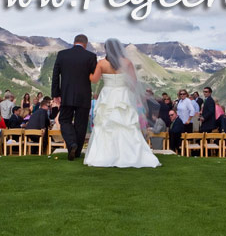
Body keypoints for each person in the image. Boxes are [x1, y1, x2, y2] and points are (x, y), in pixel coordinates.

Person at [84, 38, 160, 168]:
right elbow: (133, 83)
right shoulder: (127, 62)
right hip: (123, 95)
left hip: (107, 95)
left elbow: (94, 80)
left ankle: (104, 155)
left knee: (105, 125)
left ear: (106, 49)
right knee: (127, 125)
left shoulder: (102, 63)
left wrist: (86, 72)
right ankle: (130, 154)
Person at [52, 34, 98, 161]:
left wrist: (56, 94)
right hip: (84, 95)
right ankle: (76, 152)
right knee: (81, 124)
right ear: (86, 44)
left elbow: (56, 75)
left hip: (66, 95)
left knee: (64, 120)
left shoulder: (62, 54)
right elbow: (94, 77)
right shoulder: (91, 57)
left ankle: (72, 143)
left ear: (74, 42)